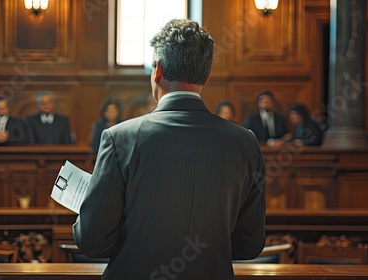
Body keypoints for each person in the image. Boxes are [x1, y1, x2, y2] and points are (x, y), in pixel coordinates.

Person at [73, 19, 266, 280]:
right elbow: (249, 245)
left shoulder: (120, 139)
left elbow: (92, 242)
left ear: (158, 71)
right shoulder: (245, 143)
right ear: (206, 77)